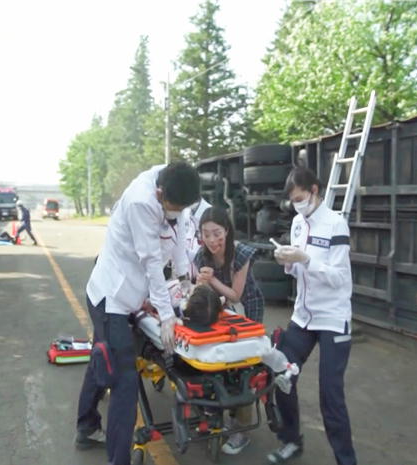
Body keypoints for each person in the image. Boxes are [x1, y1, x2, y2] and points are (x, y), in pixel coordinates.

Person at [75, 162, 200, 465]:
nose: (176, 212)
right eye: (172, 207)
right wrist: (167, 315)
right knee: (124, 379)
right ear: (159, 193)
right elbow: (151, 261)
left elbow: (179, 238)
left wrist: (185, 280)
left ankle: (87, 426)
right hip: (112, 298)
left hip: (135, 294)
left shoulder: (177, 182)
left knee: (101, 359)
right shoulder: (140, 202)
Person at [267, 166, 356, 465]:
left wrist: (305, 259)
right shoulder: (297, 223)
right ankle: (291, 440)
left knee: (330, 396)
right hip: (303, 316)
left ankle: (346, 460)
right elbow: (298, 272)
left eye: (300, 198)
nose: (297, 205)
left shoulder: (335, 224)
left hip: (332, 317)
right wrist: (287, 260)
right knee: (282, 373)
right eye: (292, 201)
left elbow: (339, 278)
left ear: (314, 190)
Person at [192, 206, 264, 455]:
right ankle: (217, 413)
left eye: (217, 233)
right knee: (218, 362)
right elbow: (204, 292)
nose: (212, 240)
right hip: (223, 311)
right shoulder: (201, 256)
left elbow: (236, 295)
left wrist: (211, 279)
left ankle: (241, 429)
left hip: (247, 309)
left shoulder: (241, 253)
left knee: (244, 366)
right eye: (206, 234)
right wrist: (200, 283)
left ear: (227, 231)